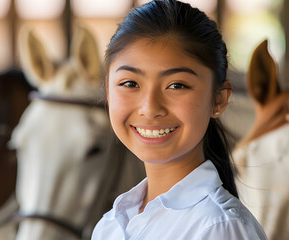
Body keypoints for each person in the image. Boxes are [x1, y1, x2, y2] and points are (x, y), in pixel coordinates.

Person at [91, 0, 267, 239]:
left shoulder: (218, 228)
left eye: (176, 85)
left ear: (218, 100)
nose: (150, 108)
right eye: (130, 83)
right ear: (108, 92)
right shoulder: (110, 225)